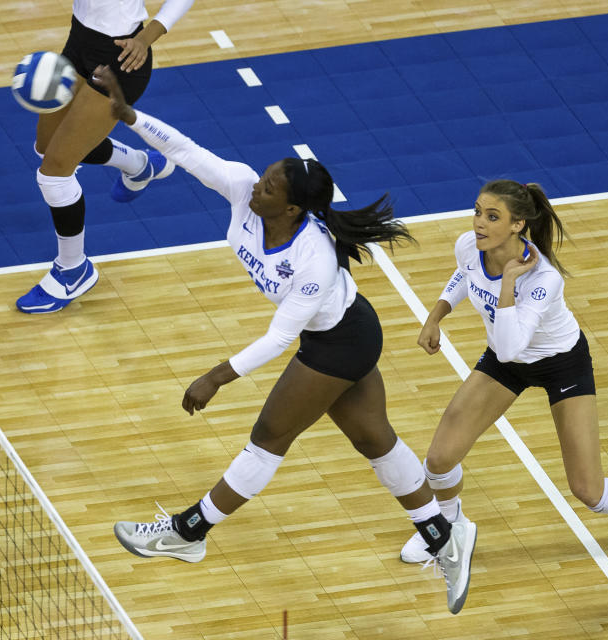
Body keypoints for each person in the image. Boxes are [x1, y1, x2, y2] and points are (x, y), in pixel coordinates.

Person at [92, 66, 476, 615]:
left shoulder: (312, 256)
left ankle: (188, 532)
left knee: (271, 433)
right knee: (375, 440)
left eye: (270, 186)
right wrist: (129, 116)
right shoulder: (243, 192)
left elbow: (280, 337)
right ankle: (445, 536)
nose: (257, 185)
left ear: (292, 208)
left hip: (340, 341)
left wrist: (215, 377)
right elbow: (186, 149)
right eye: (263, 177)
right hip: (343, 332)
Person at [399, 180, 608, 565]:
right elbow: (464, 274)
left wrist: (508, 280)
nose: (479, 223)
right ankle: (449, 530)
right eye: (477, 212)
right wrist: (435, 315)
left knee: (589, 491)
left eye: (492, 217)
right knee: (439, 459)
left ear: (517, 224)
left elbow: (511, 346)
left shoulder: (543, 279)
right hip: (507, 363)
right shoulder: (470, 247)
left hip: (561, 364)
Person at [16, 0, 196, 314]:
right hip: (78, 42)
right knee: (46, 146)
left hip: (121, 57)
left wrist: (147, 37)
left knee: (53, 174)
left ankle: (73, 269)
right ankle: (140, 165)